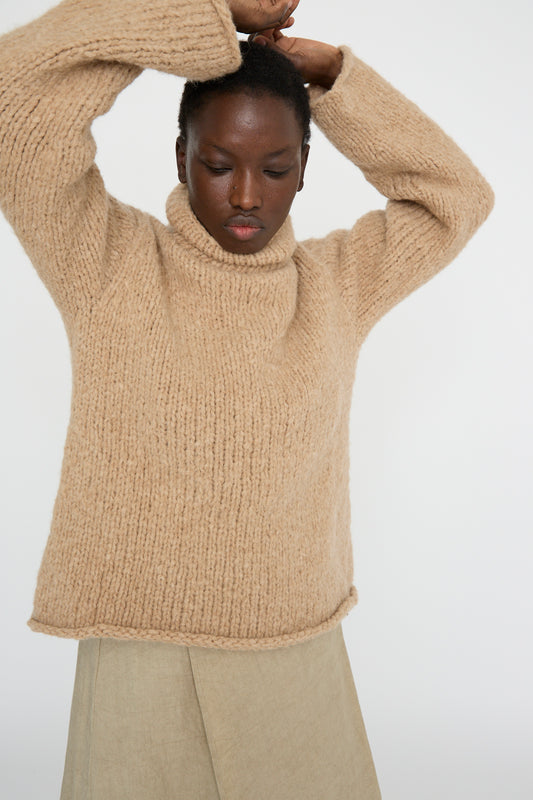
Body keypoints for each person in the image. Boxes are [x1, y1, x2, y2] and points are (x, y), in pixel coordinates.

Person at [0, 0, 494, 798]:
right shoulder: (102, 260)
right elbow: (12, 95)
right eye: (217, 161)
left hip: (291, 643)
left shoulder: (338, 284)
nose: (243, 196)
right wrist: (202, 18)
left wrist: (335, 79)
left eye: (275, 168)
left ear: (306, 164)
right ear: (179, 154)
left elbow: (454, 197)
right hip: (138, 642)